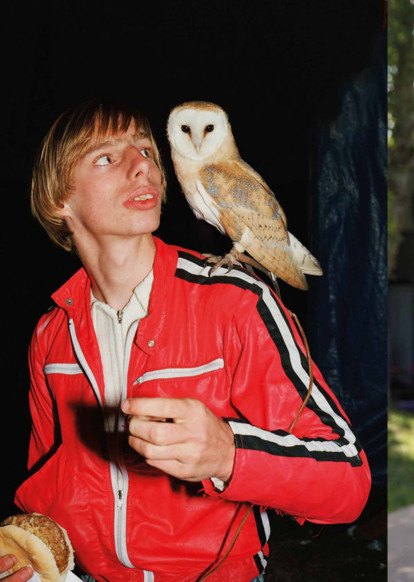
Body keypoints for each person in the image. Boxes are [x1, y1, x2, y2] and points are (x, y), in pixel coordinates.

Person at [3, 100, 370, 582]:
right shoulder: (53, 332)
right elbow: (45, 484)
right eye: (107, 158)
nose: (142, 167)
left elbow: (348, 480)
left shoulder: (235, 303)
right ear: (59, 201)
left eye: (146, 151)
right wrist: (33, 556)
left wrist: (227, 454)